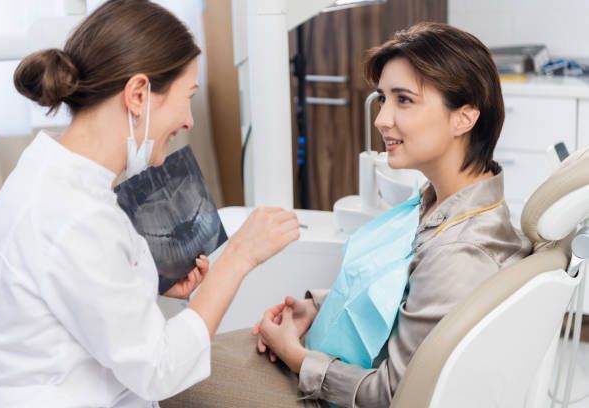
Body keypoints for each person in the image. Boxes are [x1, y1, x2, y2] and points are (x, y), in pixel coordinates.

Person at [167, 22, 532, 408]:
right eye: (383, 98)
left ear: (464, 117)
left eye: (403, 100)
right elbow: (401, 290)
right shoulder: (438, 202)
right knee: (186, 361)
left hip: (336, 392)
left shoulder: (460, 252)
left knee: (172, 380)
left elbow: (392, 396)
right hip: (334, 357)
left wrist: (296, 356)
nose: (381, 119)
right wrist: (321, 307)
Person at [0, 1, 299, 407]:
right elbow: (158, 368)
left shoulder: (53, 178)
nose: (189, 120)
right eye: (188, 97)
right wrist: (240, 255)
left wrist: (149, 280)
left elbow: (78, 295)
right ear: (138, 94)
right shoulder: (74, 215)